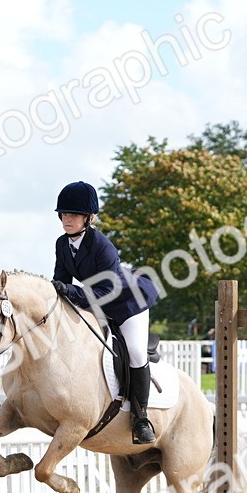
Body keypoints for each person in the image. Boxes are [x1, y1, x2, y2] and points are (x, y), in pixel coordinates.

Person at [50, 180, 160, 444]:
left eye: (74, 214)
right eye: (64, 214)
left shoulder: (102, 246)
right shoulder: (62, 244)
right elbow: (61, 281)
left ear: (88, 218)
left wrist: (71, 292)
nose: (67, 219)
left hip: (126, 302)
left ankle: (141, 418)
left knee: (134, 351)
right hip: (96, 300)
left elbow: (105, 291)